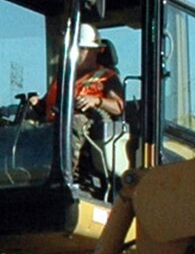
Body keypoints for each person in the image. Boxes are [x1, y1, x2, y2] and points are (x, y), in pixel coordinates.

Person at [28, 24, 126, 189]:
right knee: (26, 129)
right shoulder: (63, 78)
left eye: (82, 49)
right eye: (75, 49)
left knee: (74, 123)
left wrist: (96, 101)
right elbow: (48, 105)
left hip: (86, 125)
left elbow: (118, 106)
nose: (77, 53)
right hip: (53, 125)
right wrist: (37, 104)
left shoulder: (107, 78)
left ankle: (64, 175)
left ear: (96, 51)